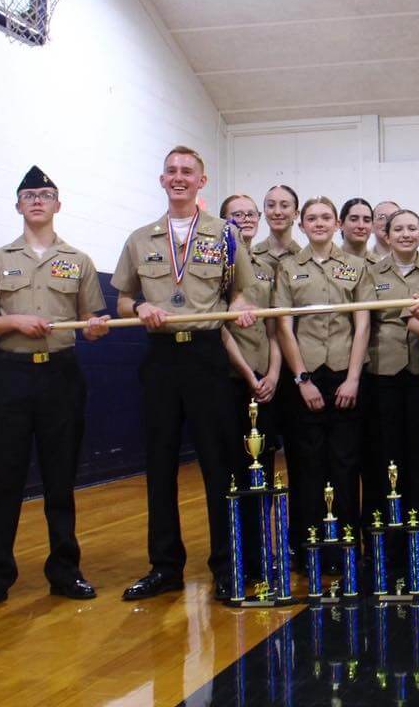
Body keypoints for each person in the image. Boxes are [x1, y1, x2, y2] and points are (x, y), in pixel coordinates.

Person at [0, 166, 110, 611]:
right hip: (11, 376)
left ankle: (65, 571)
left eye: (46, 194)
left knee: (60, 480)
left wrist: (98, 328)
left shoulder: (79, 260)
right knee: (3, 480)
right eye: (30, 195)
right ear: (19, 205)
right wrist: (13, 321)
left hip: (60, 376)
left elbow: (92, 322)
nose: (38, 201)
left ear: (58, 204)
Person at [112, 146, 259, 602]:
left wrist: (238, 311)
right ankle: (165, 566)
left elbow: (241, 293)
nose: (179, 178)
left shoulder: (224, 234)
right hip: (159, 358)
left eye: (187, 172)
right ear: (162, 180)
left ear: (202, 181)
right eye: (171, 171)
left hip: (206, 355)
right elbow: (120, 302)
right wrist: (141, 307)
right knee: (159, 464)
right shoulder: (140, 238)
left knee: (219, 466)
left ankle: (226, 566)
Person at [273, 197, 372, 550]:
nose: (319, 223)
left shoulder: (356, 267)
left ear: (337, 224)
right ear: (301, 224)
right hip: (306, 377)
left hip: (345, 373)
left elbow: (362, 324)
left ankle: (346, 543)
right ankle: (308, 545)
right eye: (312, 218)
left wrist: (354, 378)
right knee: (307, 464)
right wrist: (301, 380)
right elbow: (284, 324)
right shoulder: (287, 267)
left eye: (326, 217)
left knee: (346, 462)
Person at [218, 193, 284, 586]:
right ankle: (236, 558)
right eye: (235, 215)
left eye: (249, 214)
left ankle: (264, 553)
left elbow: (275, 327)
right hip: (232, 380)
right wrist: (247, 375)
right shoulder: (218, 265)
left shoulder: (267, 267)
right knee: (234, 471)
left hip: (266, 382)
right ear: (223, 220)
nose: (244, 219)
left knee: (264, 470)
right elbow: (222, 326)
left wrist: (273, 373)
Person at [365, 209, 419, 515]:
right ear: (386, 235)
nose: (406, 234)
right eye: (398, 229)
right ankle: (388, 526)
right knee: (385, 450)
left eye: (412, 228)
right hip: (382, 370)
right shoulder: (371, 271)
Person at [339, 198, 376, 262]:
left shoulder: (380, 266)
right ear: (341, 224)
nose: (361, 226)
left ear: (372, 226)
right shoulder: (327, 263)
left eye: (366, 220)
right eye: (354, 219)